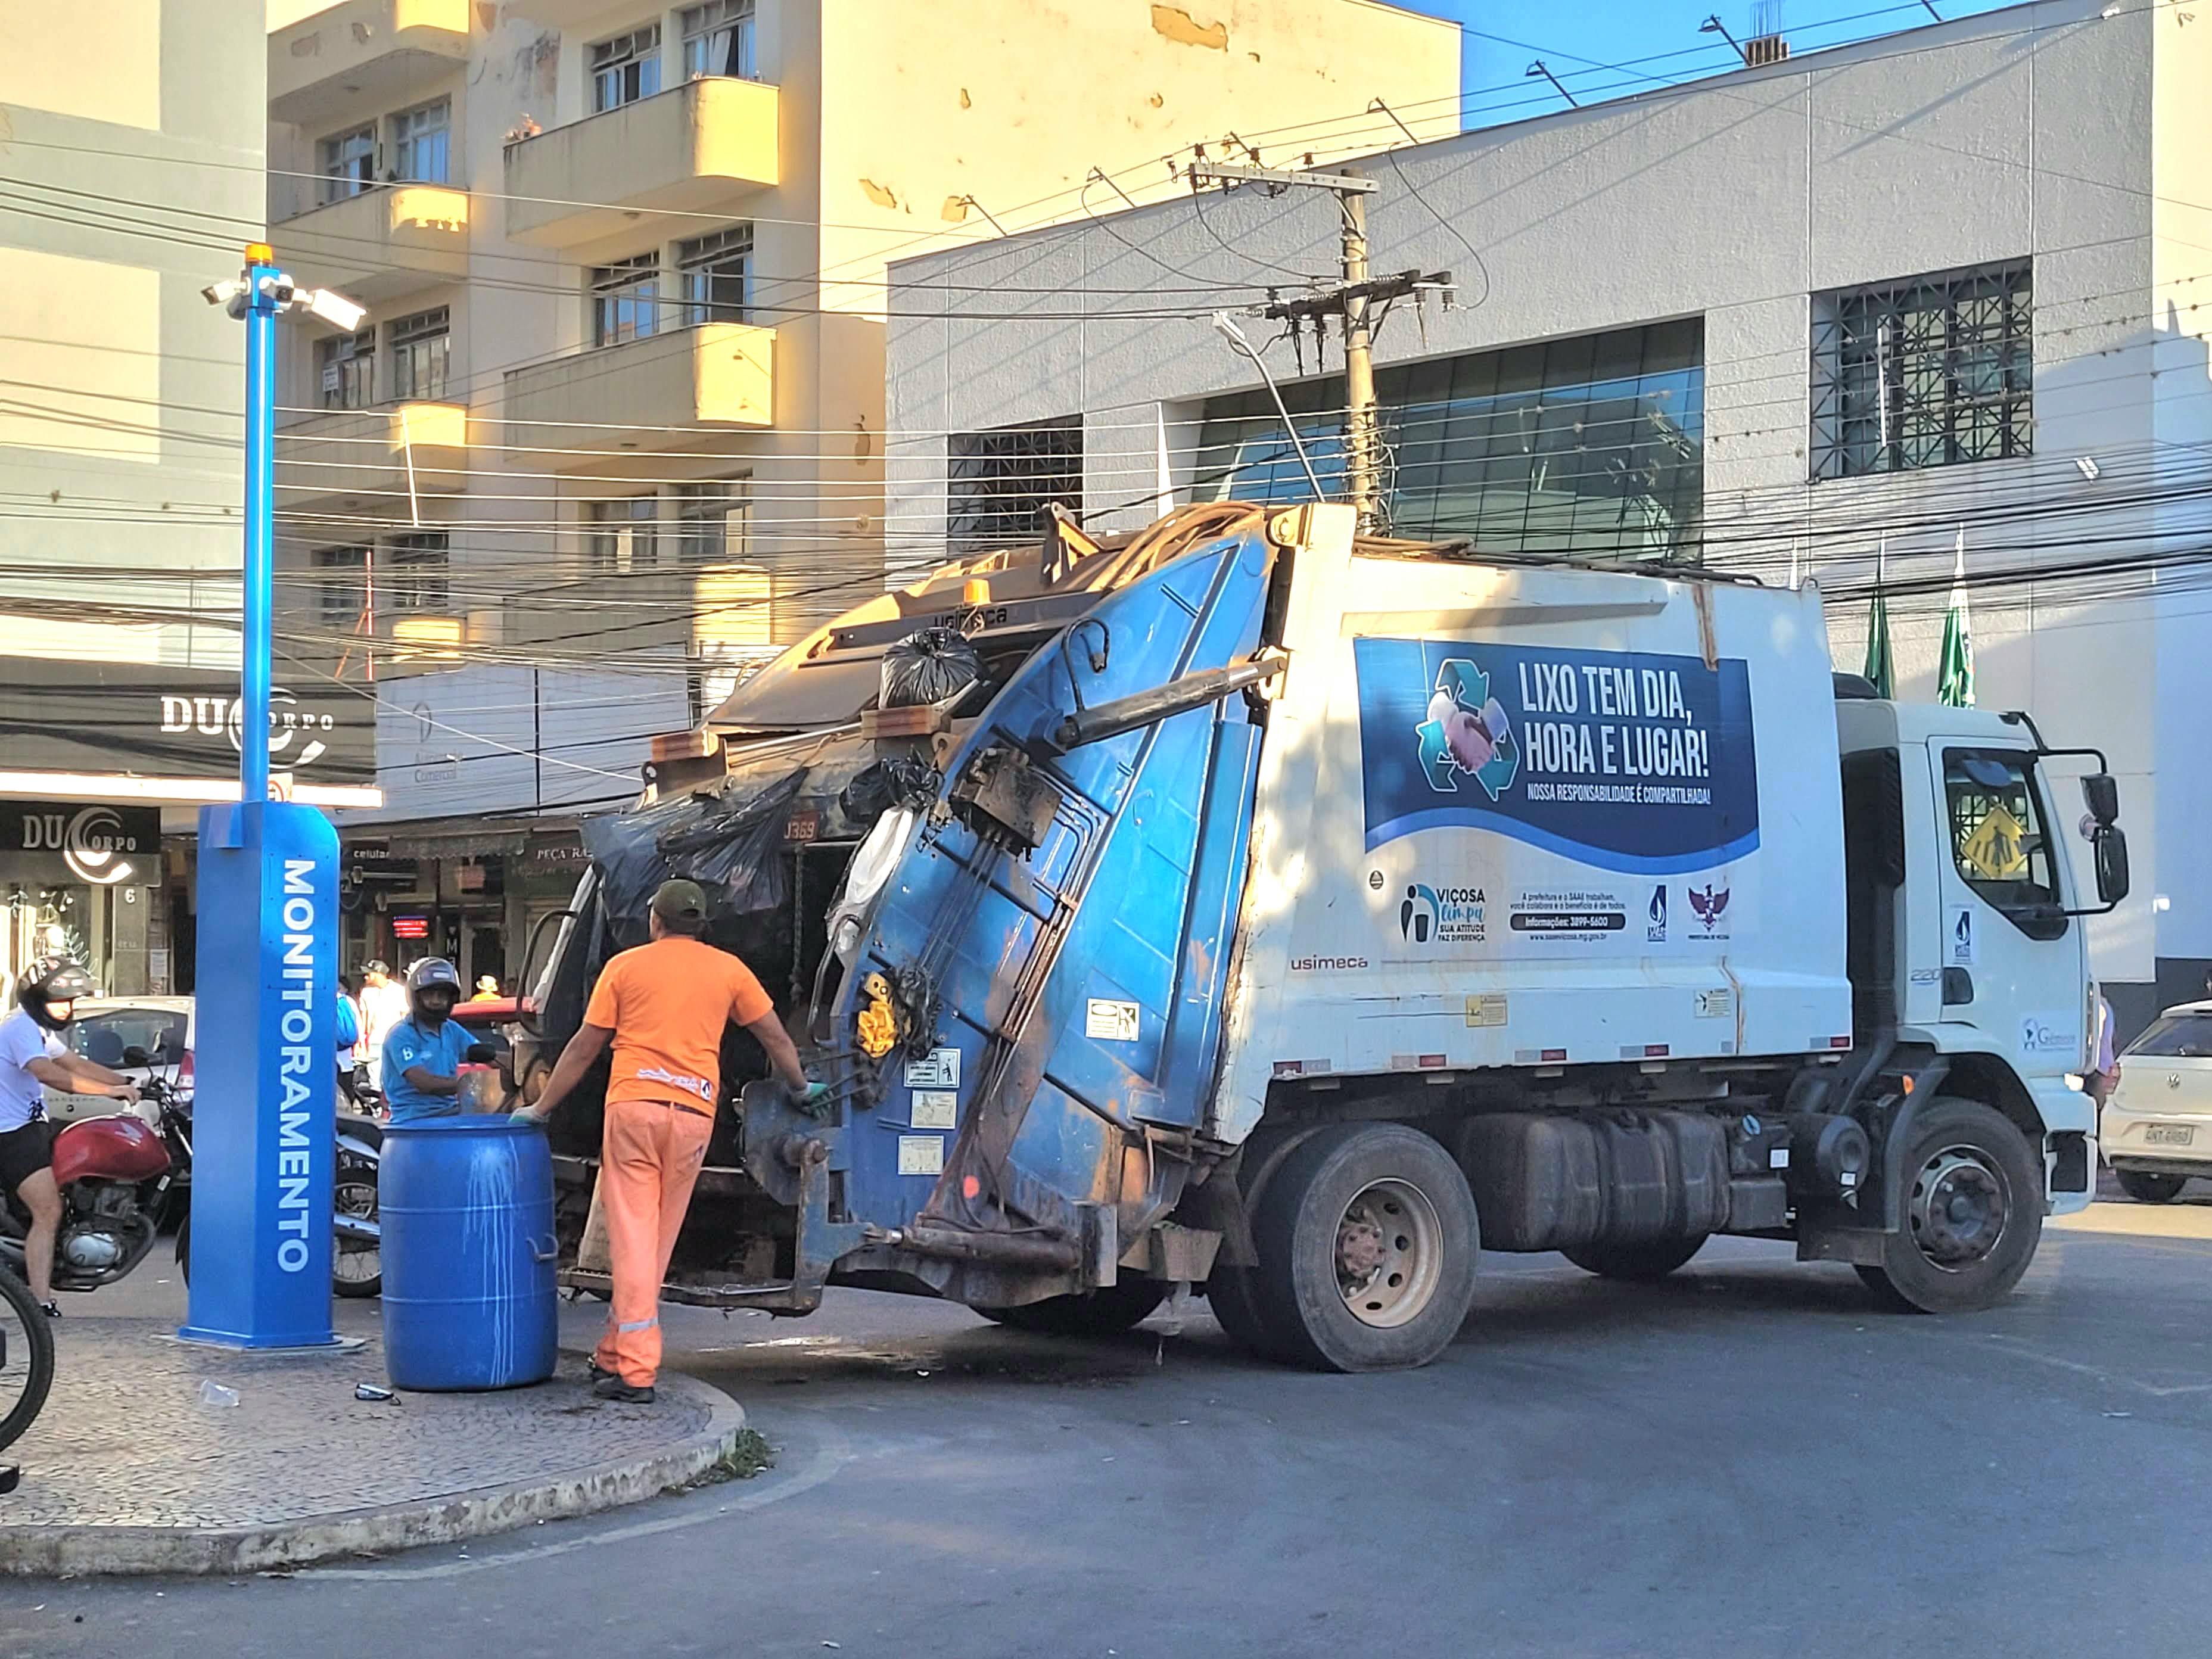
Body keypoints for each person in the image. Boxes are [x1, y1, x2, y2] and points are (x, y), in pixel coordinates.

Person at [515, 880, 825, 1403]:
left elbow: (584, 1045)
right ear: (701, 925)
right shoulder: (728, 970)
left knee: (634, 1236)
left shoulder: (625, 967)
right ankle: (615, 1351)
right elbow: (774, 1035)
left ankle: (635, 1370)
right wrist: (800, 1087)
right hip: (694, 1115)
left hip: (635, 1109)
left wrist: (541, 1107)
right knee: (653, 1239)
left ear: (654, 921)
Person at [0, 958, 140, 1316]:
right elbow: (51, 1076)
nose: (68, 1008)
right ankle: (40, 1300)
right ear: (36, 1000)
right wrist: (108, 1094)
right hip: (11, 1133)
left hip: (34, 1124)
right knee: (48, 1210)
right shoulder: (20, 1029)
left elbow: (75, 1065)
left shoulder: (38, 1030)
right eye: (60, 1001)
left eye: (72, 1001)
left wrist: (125, 1083)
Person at [378, 958, 476, 1125]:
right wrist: (474, 1083)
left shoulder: (451, 1030)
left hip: (451, 1116)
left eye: (442, 995)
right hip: (413, 1122)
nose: (436, 1001)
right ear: (416, 996)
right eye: (429, 995)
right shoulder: (401, 1034)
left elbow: (485, 1053)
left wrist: (519, 1064)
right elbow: (425, 1083)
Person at [358, 960, 407, 1092]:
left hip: (394, 1040)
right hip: (374, 1040)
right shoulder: (366, 992)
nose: (366, 977)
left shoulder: (399, 991)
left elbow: (405, 1015)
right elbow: (365, 1019)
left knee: (394, 1076)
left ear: (379, 974)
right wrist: (361, 1042)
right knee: (374, 1079)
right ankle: (377, 1109)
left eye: (369, 974)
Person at [335, 976, 363, 1107]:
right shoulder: (347, 1000)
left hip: (328, 1055)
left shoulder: (318, 1000)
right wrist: (360, 1043)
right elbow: (358, 1023)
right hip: (345, 1057)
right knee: (347, 1091)